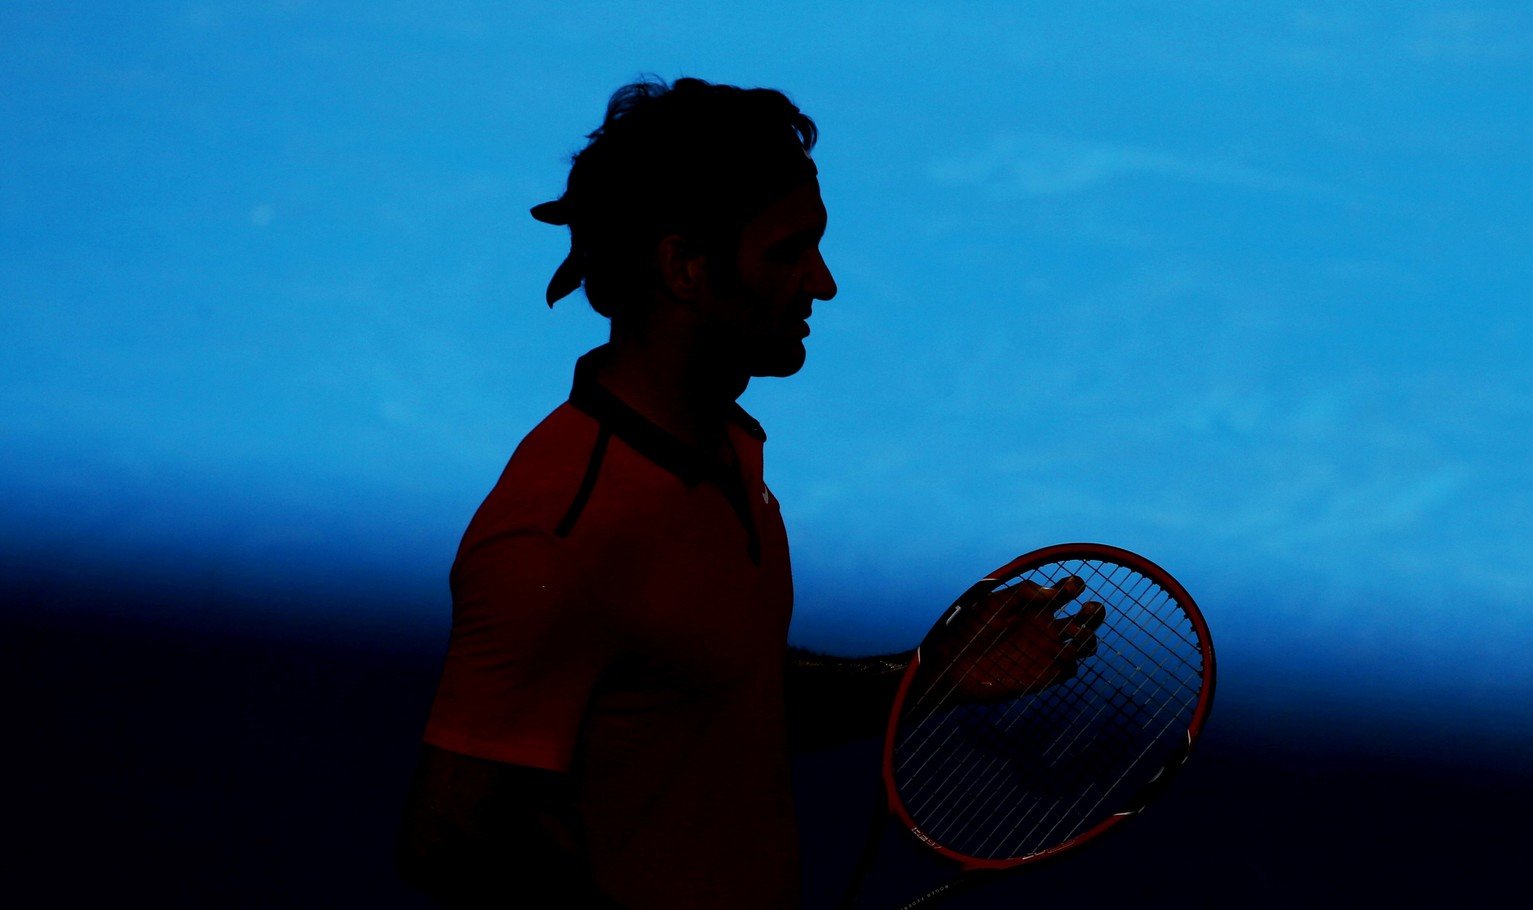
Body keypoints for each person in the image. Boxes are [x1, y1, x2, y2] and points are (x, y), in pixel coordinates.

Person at [396, 76, 1098, 909]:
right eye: (787, 251)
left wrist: (924, 676)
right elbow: (448, 843)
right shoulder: (559, 538)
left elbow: (715, 690)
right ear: (686, 267)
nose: (823, 282)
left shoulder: (727, 447)